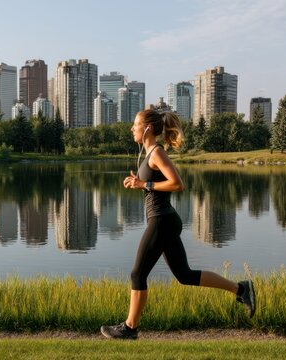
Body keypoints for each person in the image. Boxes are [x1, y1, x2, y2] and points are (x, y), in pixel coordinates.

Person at [100, 110, 256, 340]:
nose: (131, 128)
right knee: (185, 275)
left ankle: (130, 328)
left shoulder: (157, 153)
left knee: (137, 274)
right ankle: (242, 289)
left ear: (148, 128)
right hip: (165, 220)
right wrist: (139, 184)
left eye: (135, 124)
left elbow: (177, 184)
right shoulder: (149, 153)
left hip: (162, 220)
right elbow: (156, 183)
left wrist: (145, 183)